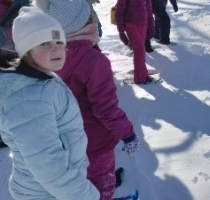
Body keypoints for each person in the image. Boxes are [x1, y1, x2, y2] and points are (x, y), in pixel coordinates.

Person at [35, 0, 141, 199]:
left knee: (78, 183)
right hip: (94, 142)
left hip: (64, 140)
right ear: (83, 22)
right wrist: (128, 134)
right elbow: (106, 109)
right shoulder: (93, 60)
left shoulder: (49, 55)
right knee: (100, 183)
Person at [0, 7, 100, 199]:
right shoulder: (28, 98)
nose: (55, 49)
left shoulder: (42, 79)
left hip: (53, 189)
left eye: (58, 41)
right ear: (27, 51)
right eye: (44, 43)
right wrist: (86, 196)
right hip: (45, 193)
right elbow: (48, 164)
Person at [115, 0, 159, 84]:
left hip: (143, 24)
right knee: (140, 50)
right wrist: (121, 31)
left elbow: (149, 9)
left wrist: (151, 26)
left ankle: (139, 75)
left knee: (140, 51)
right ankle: (142, 77)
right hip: (131, 24)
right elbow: (119, 11)